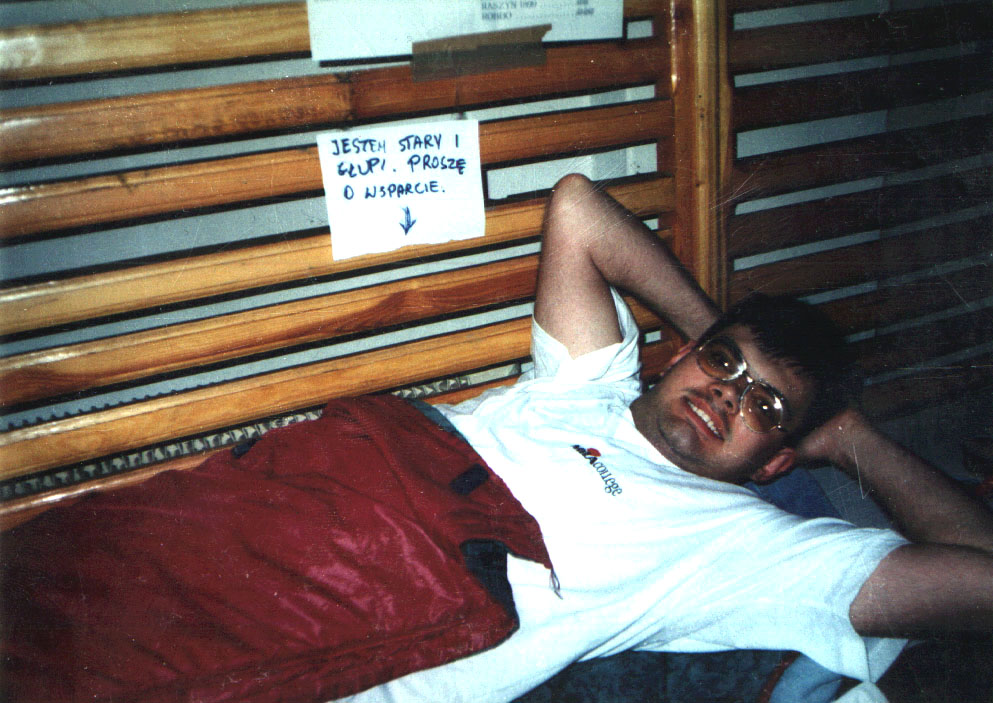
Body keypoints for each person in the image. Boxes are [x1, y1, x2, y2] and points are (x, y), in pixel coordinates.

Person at [339, 173, 993, 701]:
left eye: (763, 406)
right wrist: (718, 336)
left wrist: (849, 438)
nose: (728, 394)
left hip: (361, 631)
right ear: (682, 353)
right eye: (723, 363)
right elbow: (576, 206)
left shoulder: (739, 543)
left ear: (774, 464)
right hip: (341, 490)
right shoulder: (585, 380)